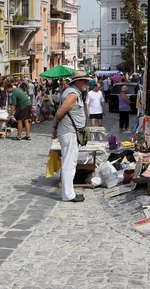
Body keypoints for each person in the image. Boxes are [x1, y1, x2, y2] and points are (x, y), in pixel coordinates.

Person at [52, 70, 90, 203]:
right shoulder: (73, 95)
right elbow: (60, 112)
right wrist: (55, 126)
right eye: (84, 81)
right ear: (77, 82)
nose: (87, 83)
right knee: (69, 163)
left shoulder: (73, 92)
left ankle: (69, 192)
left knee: (70, 163)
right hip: (69, 132)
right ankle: (68, 195)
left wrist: (55, 128)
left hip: (69, 131)